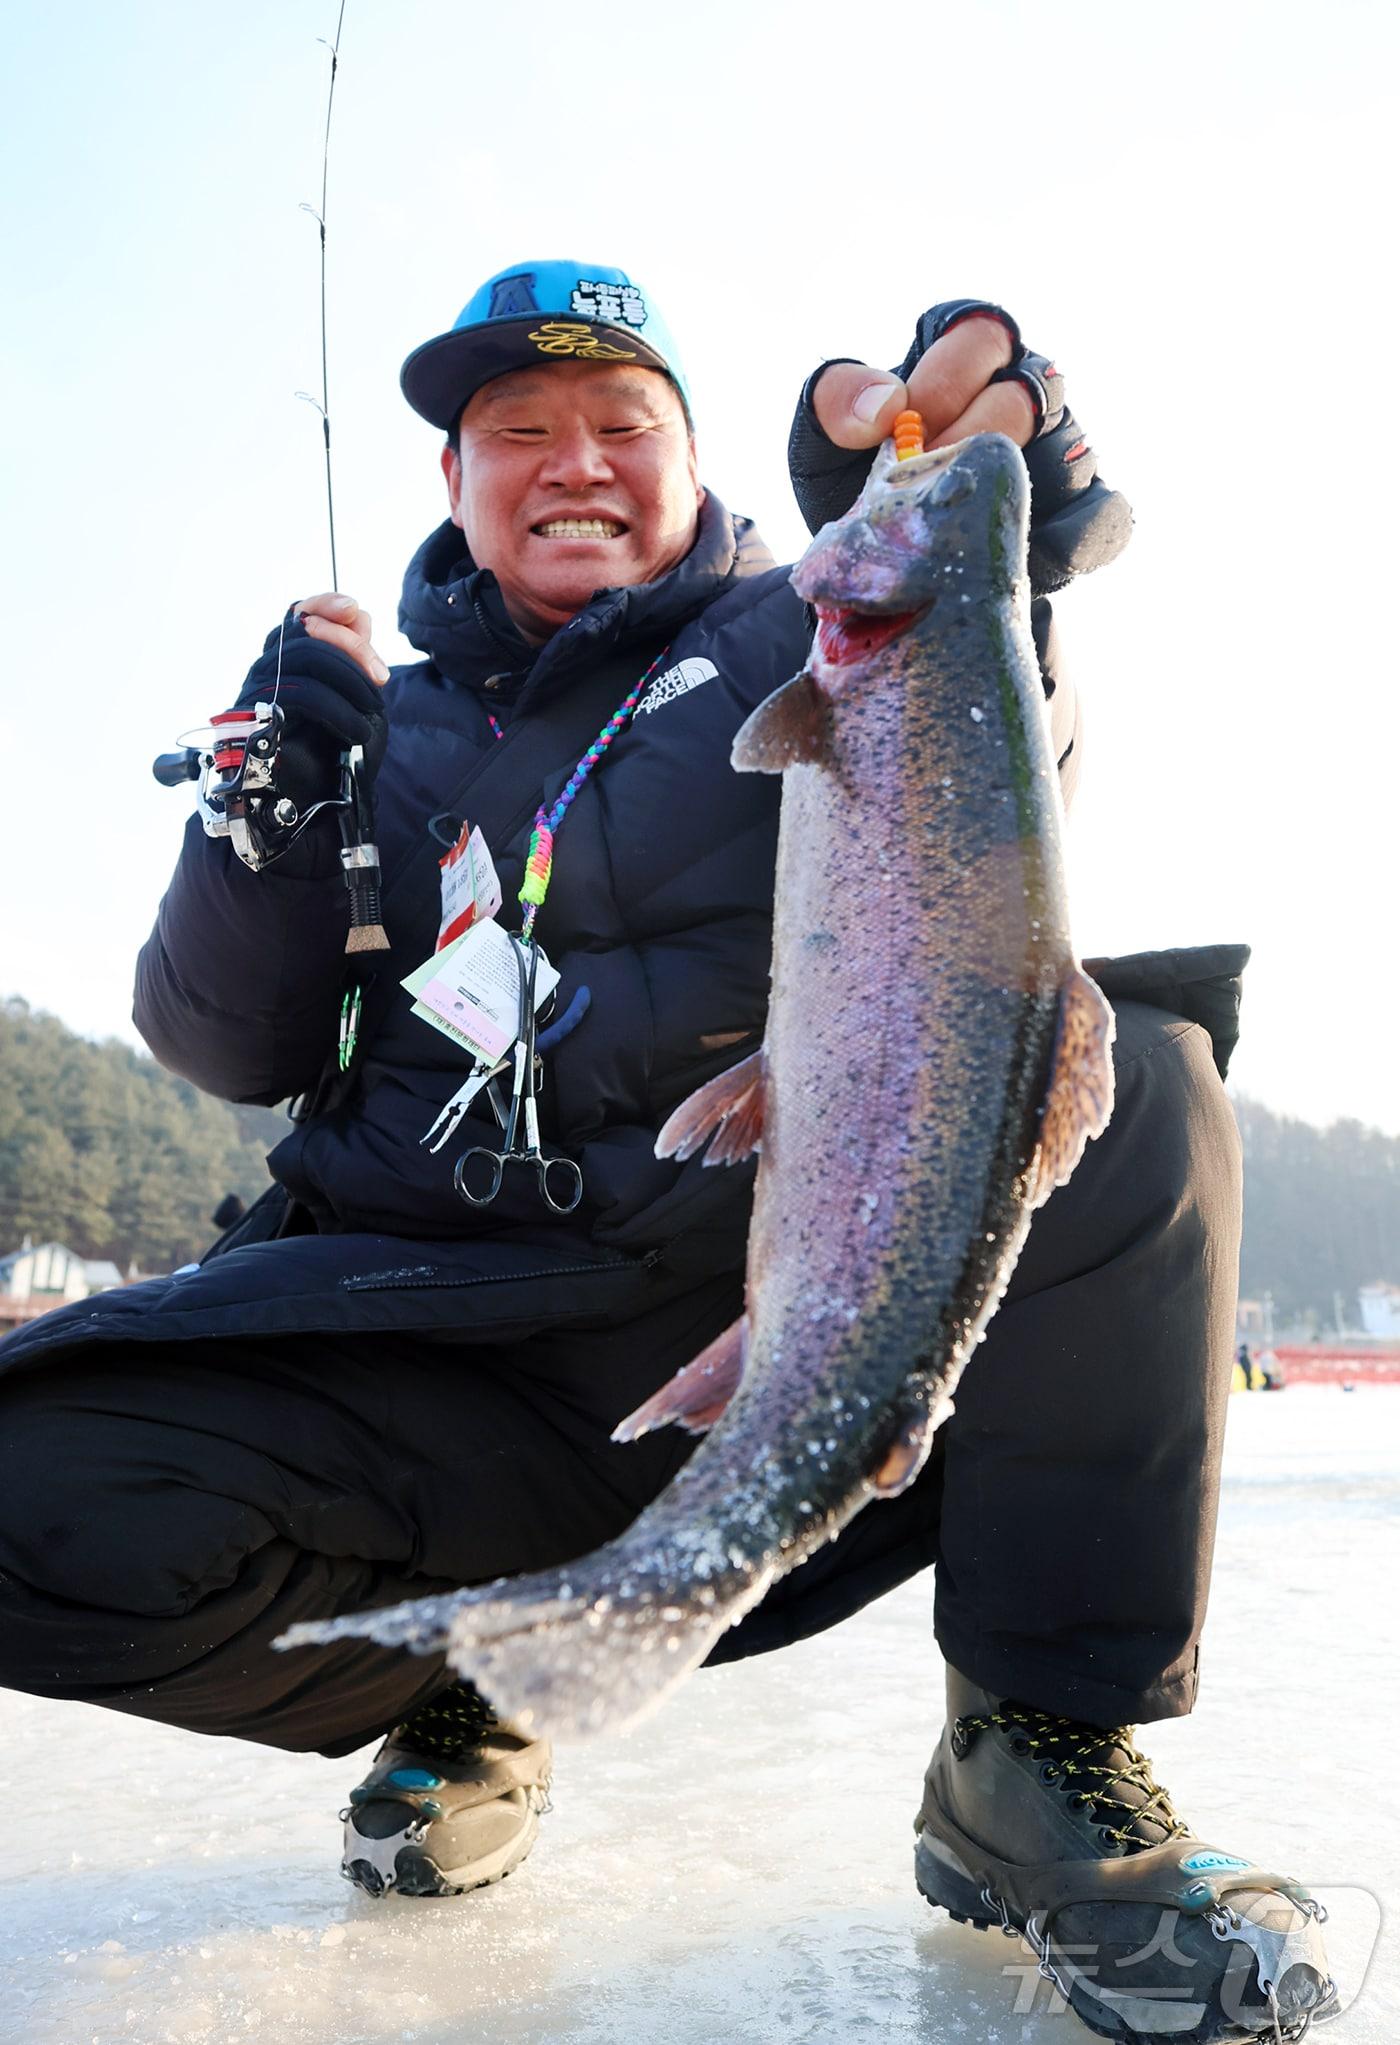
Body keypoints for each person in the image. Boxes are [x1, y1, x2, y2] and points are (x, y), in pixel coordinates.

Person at [0, 262, 1331, 2042]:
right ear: (455, 481)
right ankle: (482, 1684)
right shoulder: (367, 727)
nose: (575, 463)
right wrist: (264, 812)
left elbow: (998, 754)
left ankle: (1032, 1753)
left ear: (698, 463)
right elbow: (226, 1043)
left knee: (1138, 1074)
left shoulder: (811, 632)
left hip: (776, 1326)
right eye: (518, 430)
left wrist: (1012, 523)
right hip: (437, 1366)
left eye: (623, 423)